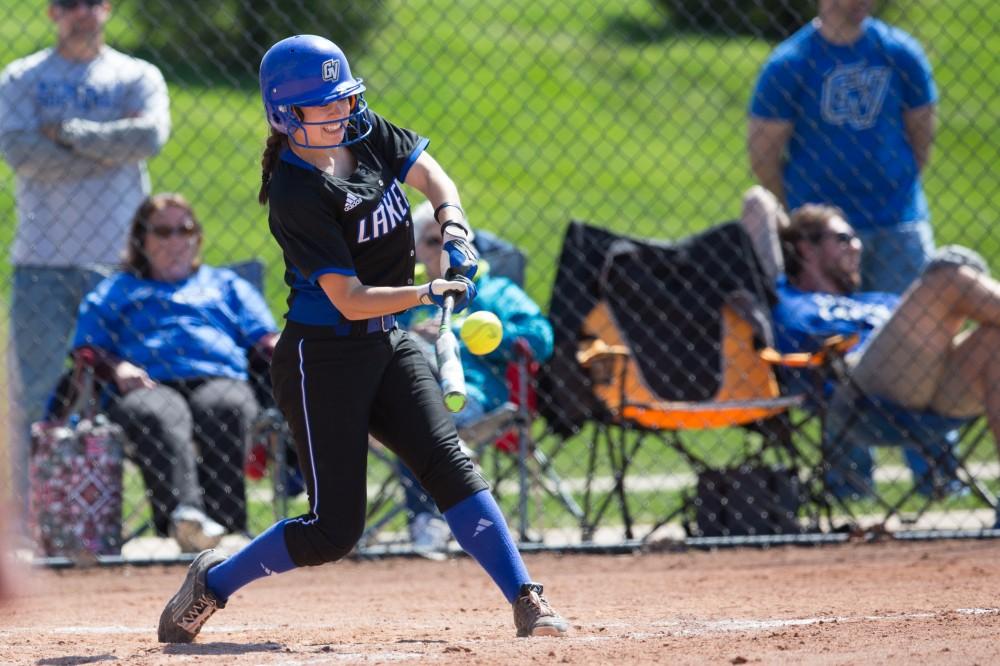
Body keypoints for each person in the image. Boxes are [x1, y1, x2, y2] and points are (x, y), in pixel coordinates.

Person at [157, 35, 569, 643]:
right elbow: (348, 298)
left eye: (344, 98)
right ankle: (213, 583)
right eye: (322, 105)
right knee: (333, 531)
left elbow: (430, 174)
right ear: (284, 115)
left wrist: (453, 222)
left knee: (449, 464)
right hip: (321, 360)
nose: (341, 111)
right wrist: (429, 292)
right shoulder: (297, 194)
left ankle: (526, 597)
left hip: (387, 343)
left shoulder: (359, 127)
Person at [741, 188, 1000, 526]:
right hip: (858, 394)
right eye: (844, 238)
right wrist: (793, 231)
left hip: (935, 392)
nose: (857, 246)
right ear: (807, 247)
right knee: (948, 272)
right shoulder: (786, 298)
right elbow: (757, 202)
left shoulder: (878, 301)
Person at [0, 0, 171, 508]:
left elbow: (149, 137)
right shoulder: (22, 77)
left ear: (108, 9)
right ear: (52, 13)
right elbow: (19, 152)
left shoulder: (136, 74)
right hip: (41, 263)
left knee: (138, 392)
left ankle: (134, 515)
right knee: (33, 397)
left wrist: (68, 134)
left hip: (120, 264)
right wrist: (109, 149)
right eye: (68, 4)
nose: (81, 12)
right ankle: (29, 523)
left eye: (91, 2)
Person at [71, 193, 279, 551]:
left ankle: (229, 530)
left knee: (224, 407)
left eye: (184, 230)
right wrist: (118, 366)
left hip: (219, 377)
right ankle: (185, 524)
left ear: (197, 237)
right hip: (149, 383)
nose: (175, 241)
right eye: (163, 231)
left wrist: (289, 348)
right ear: (141, 239)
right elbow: (87, 349)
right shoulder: (118, 289)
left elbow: (265, 340)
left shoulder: (225, 285)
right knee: (161, 413)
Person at [394, 201, 554, 557]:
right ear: (417, 249)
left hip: (476, 398)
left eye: (448, 240)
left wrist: (467, 333)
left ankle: (430, 518)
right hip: (415, 397)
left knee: (416, 418)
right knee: (406, 382)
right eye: (430, 242)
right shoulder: (408, 298)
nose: (440, 249)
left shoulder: (494, 291)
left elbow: (540, 338)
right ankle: (445, 494)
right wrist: (414, 335)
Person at [748, 0, 937, 295]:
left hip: (898, 223)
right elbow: (763, 156)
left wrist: (896, 186)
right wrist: (801, 213)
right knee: (831, 335)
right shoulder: (790, 64)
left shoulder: (900, 54)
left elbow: (922, 135)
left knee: (910, 329)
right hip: (822, 237)